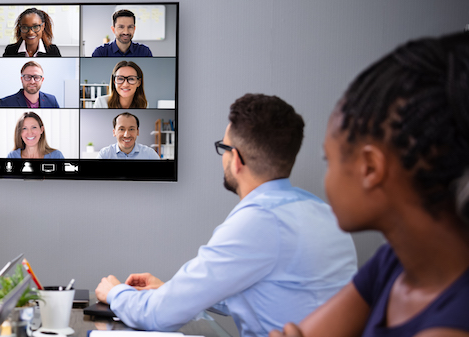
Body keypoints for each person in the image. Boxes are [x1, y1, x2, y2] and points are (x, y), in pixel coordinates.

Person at [95, 94, 358, 337]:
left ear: (237, 160)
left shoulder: (259, 221)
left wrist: (116, 292)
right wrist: (171, 290)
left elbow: (157, 316)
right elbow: (271, 292)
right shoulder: (324, 214)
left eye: (223, 147)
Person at [270, 33, 469, 337]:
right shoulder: (393, 264)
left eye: (329, 160)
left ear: (370, 168)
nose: (326, 177)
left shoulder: (454, 322)